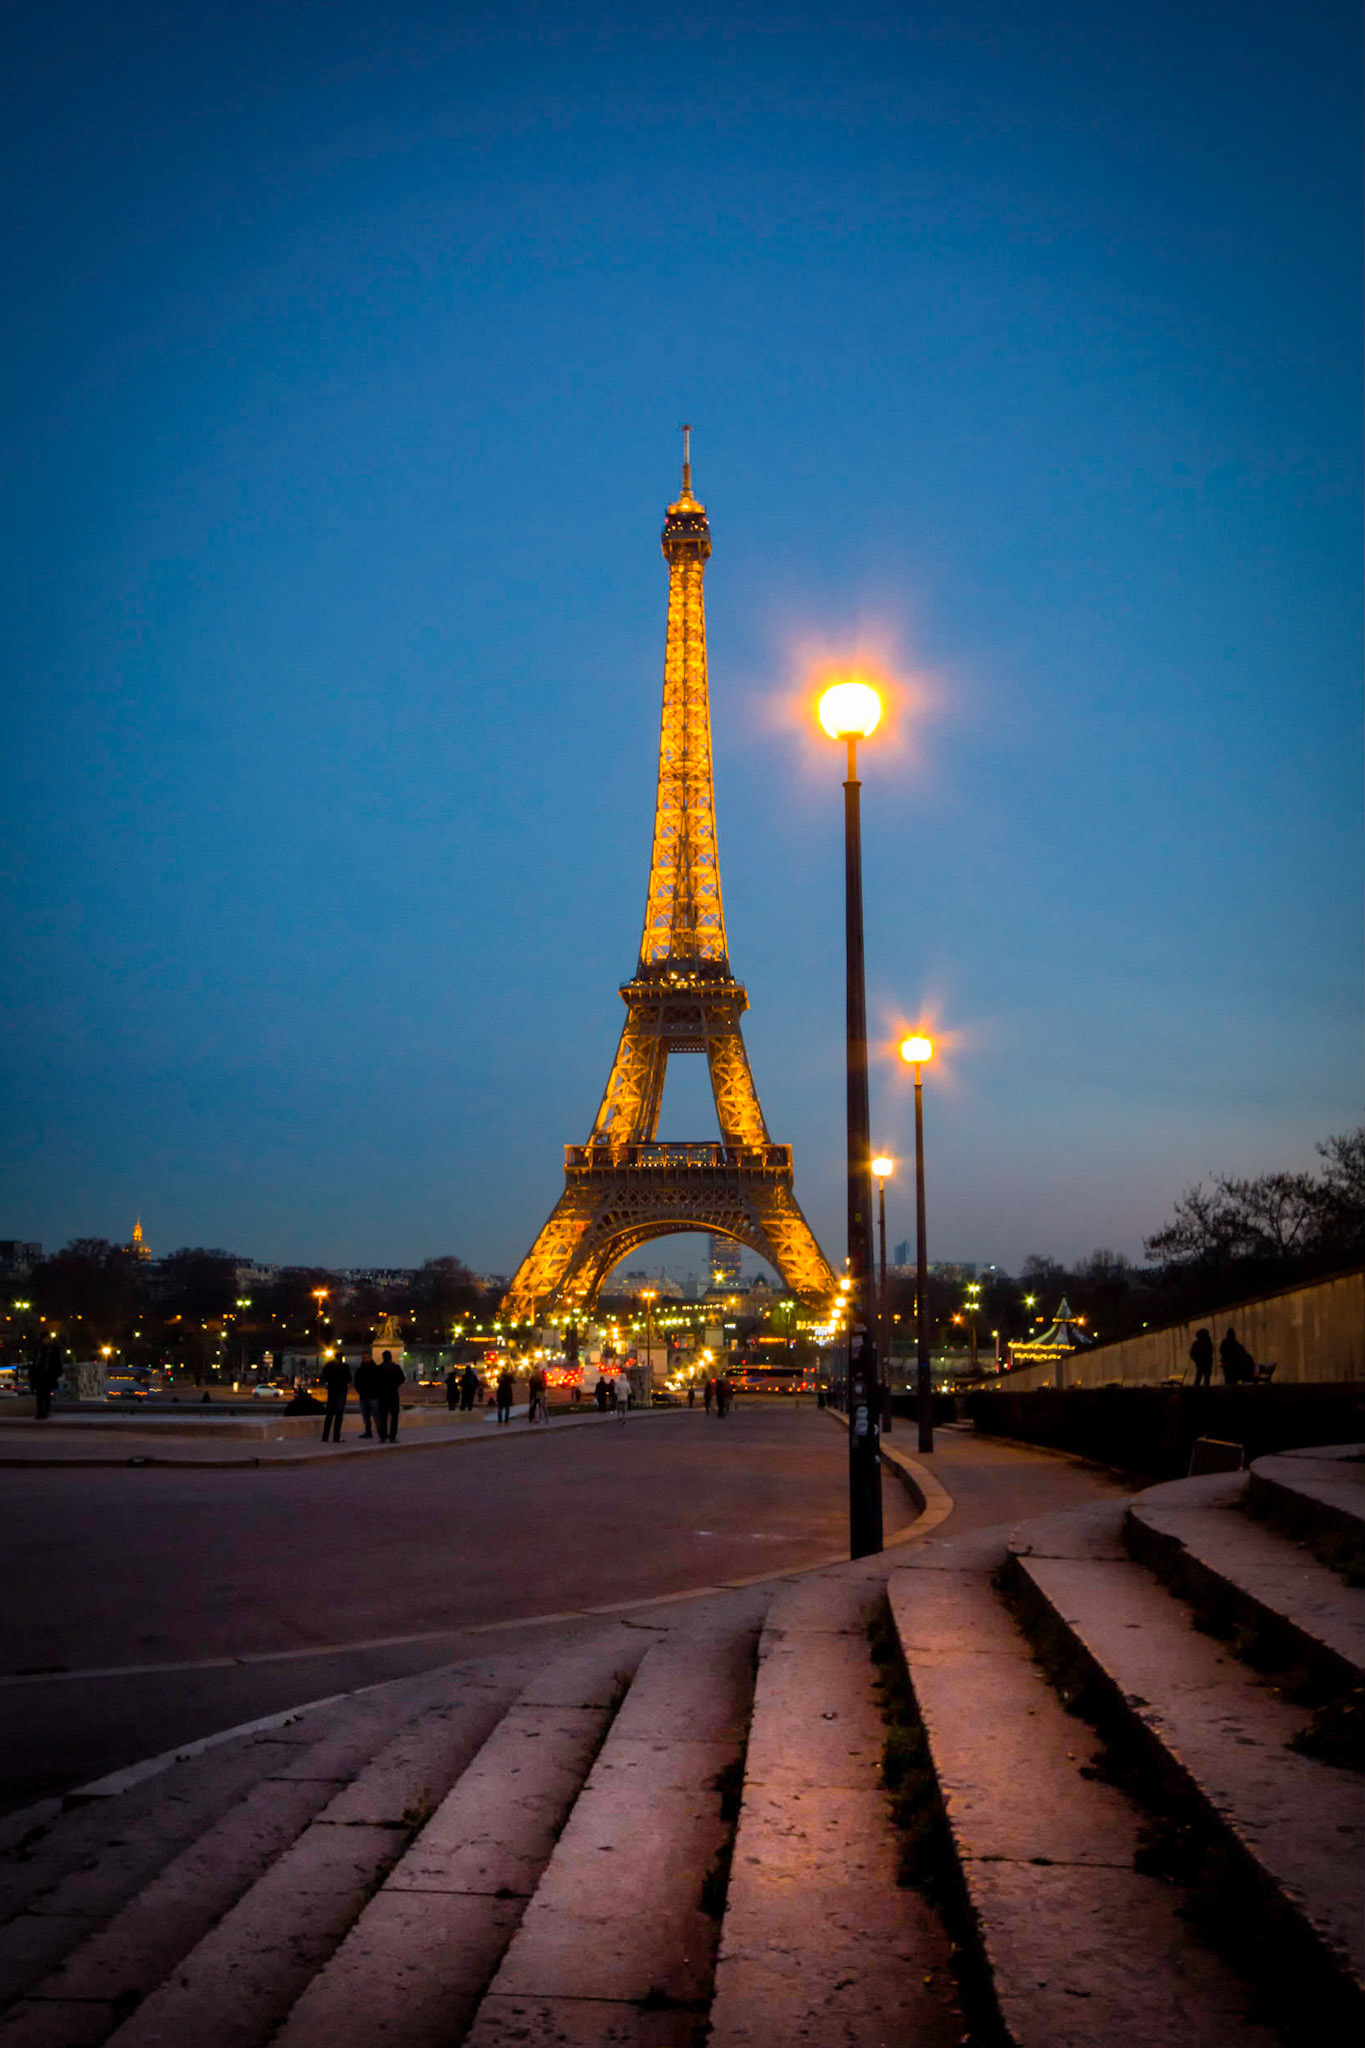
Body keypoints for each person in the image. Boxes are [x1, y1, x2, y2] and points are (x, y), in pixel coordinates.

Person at [374, 1349, 406, 1442]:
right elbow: (402, 1379)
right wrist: (396, 1385)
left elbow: (375, 1382)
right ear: (391, 1357)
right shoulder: (396, 1367)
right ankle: (392, 1436)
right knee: (394, 1417)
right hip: (393, 1394)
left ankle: (383, 1436)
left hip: (382, 1395)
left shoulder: (379, 1368)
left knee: (383, 1417)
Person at [29, 1341, 63, 1421]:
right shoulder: (47, 1350)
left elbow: (35, 1363)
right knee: (43, 1395)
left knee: (43, 1395)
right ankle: (42, 1412)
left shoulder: (41, 1351)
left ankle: (42, 1412)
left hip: (45, 1376)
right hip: (43, 1376)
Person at [321, 1354, 352, 1442]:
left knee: (329, 1415)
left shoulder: (329, 1366)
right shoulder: (344, 1367)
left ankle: (325, 1436)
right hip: (341, 1391)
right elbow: (349, 1378)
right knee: (339, 1415)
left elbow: (323, 1378)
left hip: (332, 1391)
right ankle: (336, 1436)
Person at [354, 1356, 381, 1439]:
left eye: (366, 1357)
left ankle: (379, 1432)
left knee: (375, 1416)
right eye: (364, 1357)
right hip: (366, 1395)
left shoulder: (374, 1369)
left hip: (371, 1395)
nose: (365, 1359)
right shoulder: (362, 1370)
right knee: (367, 1416)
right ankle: (370, 1432)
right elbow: (356, 1381)